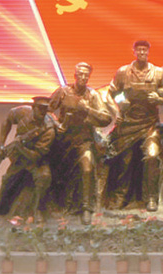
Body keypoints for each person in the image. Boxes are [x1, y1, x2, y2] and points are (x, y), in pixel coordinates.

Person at [104, 40, 163, 211]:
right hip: (128, 125)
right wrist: (120, 105)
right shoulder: (123, 72)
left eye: (145, 50)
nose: (142, 52)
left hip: (150, 125)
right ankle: (121, 196)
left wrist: (160, 99)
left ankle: (151, 197)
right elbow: (111, 94)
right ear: (134, 52)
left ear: (148, 52)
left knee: (152, 156)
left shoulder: (158, 73)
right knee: (125, 160)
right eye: (139, 50)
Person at [47, 62, 112, 225]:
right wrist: (56, 124)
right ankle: (52, 205)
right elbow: (47, 110)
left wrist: (87, 109)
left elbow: (106, 118)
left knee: (87, 168)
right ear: (75, 75)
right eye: (80, 74)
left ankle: (86, 208)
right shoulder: (63, 92)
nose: (83, 77)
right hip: (63, 141)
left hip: (84, 140)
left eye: (86, 75)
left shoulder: (93, 95)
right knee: (53, 169)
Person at [0, 96, 55, 222]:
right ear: (33, 107)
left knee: (44, 177)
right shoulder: (23, 112)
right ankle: (1, 208)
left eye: (45, 109)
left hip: (37, 159)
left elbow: (36, 156)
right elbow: (7, 121)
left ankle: (38, 209)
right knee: (7, 180)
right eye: (40, 108)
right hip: (19, 158)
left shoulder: (49, 129)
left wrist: (20, 147)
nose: (42, 112)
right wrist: (1, 145)